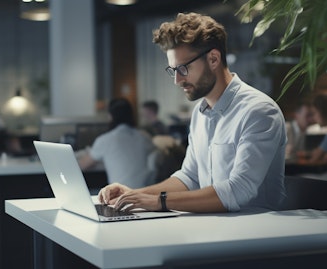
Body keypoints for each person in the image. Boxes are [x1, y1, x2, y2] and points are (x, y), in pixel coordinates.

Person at [98, 12, 287, 213]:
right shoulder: (200, 113)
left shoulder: (259, 111)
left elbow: (238, 190)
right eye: (173, 70)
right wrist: (135, 194)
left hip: (256, 234)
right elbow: (189, 177)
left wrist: (159, 201)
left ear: (214, 59)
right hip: (212, 228)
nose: (177, 80)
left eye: (183, 68)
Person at [76, 97, 157, 189]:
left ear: (110, 116)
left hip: (120, 197)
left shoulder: (105, 140)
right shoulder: (144, 137)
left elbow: (82, 165)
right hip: (144, 194)